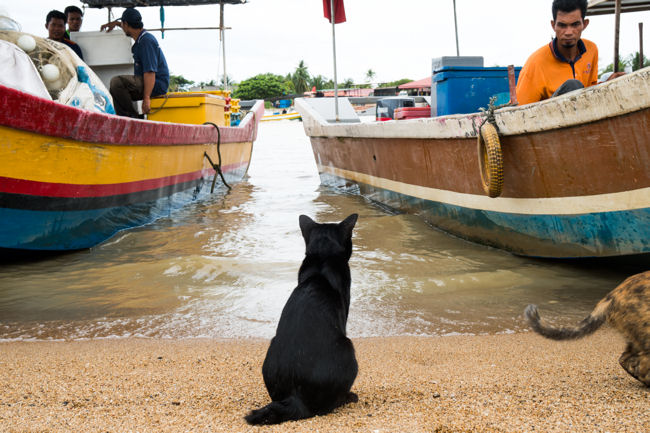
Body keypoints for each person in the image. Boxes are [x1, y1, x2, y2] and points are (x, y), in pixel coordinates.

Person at [515, 0, 624, 105]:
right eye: (562, 25)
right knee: (572, 86)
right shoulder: (536, 63)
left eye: (575, 25)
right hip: (549, 120)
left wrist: (607, 85)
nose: (568, 32)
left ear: (584, 24)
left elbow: (589, 90)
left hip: (585, 114)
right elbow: (520, 112)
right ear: (553, 26)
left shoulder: (591, 50)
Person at [101, 8, 169, 118]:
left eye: (122, 24)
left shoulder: (146, 41)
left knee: (117, 83)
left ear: (126, 24)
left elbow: (150, 72)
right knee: (116, 91)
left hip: (156, 84)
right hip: (149, 81)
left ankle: (132, 118)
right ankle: (125, 117)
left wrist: (146, 98)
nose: (122, 27)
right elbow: (126, 25)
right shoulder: (141, 37)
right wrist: (116, 23)